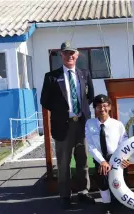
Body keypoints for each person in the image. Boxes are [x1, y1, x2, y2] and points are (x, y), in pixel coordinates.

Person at [40, 41, 95, 209]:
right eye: (66, 53)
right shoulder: (51, 76)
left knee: (83, 161)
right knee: (64, 163)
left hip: (82, 125)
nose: (69, 56)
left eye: (72, 53)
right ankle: (64, 195)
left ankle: (83, 192)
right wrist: (62, 111)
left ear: (77, 55)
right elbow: (45, 100)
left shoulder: (84, 74)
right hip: (63, 125)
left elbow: (90, 96)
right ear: (61, 55)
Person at [86, 94, 130, 214]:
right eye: (99, 106)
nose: (102, 109)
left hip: (116, 158)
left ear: (109, 107)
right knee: (103, 179)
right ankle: (106, 204)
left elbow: (125, 144)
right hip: (101, 159)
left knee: (118, 184)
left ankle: (118, 202)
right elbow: (91, 146)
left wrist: (124, 158)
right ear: (95, 109)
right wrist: (102, 161)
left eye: (105, 106)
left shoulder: (118, 125)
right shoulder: (89, 124)